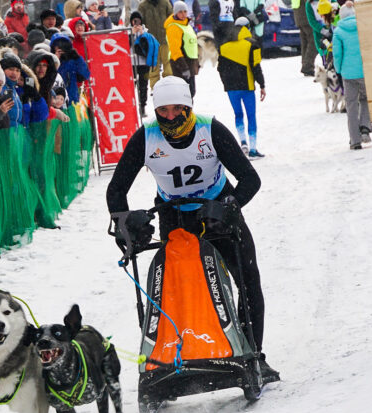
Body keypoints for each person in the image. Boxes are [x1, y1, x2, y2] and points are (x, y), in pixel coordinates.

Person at [106, 75, 277, 380]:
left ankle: (255, 355)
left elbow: (251, 180)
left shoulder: (210, 129)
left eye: (177, 109)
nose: (170, 117)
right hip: (174, 214)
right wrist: (125, 223)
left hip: (217, 209)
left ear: (189, 106)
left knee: (247, 280)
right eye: (163, 111)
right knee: (176, 289)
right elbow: (116, 189)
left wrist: (229, 207)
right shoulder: (146, 137)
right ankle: (173, 357)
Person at [217, 17, 266, 158]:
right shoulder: (252, 44)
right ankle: (253, 149)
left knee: (238, 115)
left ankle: (242, 141)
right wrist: (262, 85)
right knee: (251, 116)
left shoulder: (224, 46)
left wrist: (226, 83)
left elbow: (220, 68)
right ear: (247, 28)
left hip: (231, 88)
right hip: (247, 86)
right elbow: (256, 67)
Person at [332, 1, 371, 150]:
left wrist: (339, 69)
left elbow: (337, 53)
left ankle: (355, 140)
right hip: (364, 71)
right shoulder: (362, 26)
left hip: (348, 74)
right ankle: (365, 128)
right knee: (365, 99)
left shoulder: (338, 31)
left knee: (351, 105)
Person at [164, 1, 199, 97]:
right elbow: (175, 50)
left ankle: (189, 111)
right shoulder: (174, 27)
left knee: (191, 91)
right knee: (184, 93)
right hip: (180, 63)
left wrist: (196, 63)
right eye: (180, 12)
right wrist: (184, 68)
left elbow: (191, 44)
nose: (183, 14)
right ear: (175, 13)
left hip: (189, 62)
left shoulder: (186, 25)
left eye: (185, 11)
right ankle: (183, 111)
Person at [138, 0, 173, 89]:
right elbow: (139, 22)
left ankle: (169, 85)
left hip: (165, 40)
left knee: (168, 64)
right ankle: (155, 88)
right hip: (151, 42)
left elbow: (172, 18)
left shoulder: (165, 3)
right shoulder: (143, 6)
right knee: (153, 67)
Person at [130, 11, 160, 117]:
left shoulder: (147, 32)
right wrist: (132, 34)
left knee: (143, 85)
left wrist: (143, 34)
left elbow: (151, 46)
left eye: (138, 20)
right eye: (134, 20)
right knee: (130, 86)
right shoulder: (127, 32)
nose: (136, 23)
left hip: (144, 63)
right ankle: (130, 106)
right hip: (131, 64)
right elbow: (125, 45)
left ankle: (142, 106)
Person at [50, 33, 90, 104]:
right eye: (58, 45)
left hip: (72, 101)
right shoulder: (49, 60)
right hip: (56, 102)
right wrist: (55, 60)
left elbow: (85, 75)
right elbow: (50, 77)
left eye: (63, 45)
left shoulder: (72, 61)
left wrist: (78, 58)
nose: (61, 47)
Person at [0, 51, 25, 127]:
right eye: (11, 69)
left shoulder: (13, 89)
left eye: (17, 70)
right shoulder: (0, 87)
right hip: (5, 134)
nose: (14, 73)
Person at [292, 0, 317, 76]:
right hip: (305, 14)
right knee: (314, 40)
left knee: (305, 42)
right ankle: (308, 66)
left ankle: (305, 64)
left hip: (298, 13)